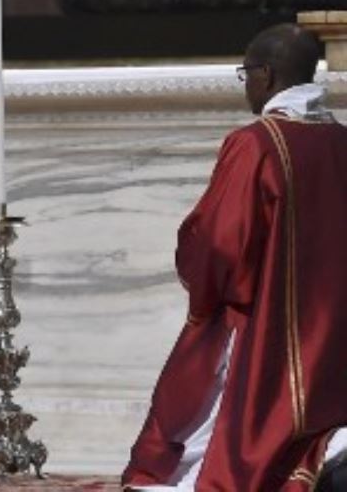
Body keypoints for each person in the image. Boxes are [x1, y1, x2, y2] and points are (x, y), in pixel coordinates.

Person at [123, 24, 347, 492]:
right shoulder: (341, 140)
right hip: (335, 330)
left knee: (205, 442)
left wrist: (197, 268)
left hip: (268, 329)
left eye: (245, 73)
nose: (245, 84)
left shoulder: (256, 145)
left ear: (265, 75)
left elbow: (219, 245)